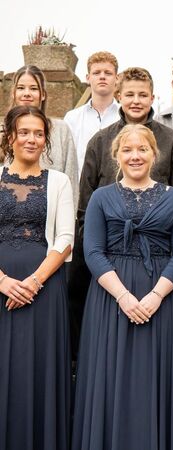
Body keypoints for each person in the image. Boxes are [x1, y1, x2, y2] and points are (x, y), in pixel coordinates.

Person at [72, 124, 173, 450]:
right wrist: (123, 296)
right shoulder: (100, 197)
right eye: (127, 150)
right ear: (116, 156)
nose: (135, 156)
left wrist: (156, 296)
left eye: (142, 149)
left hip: (159, 298)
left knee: (154, 378)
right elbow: (92, 252)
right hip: (110, 299)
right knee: (109, 377)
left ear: (154, 154)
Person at [70, 66, 173, 357]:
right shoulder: (100, 141)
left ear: (152, 97)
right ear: (119, 96)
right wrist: (99, 252)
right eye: (130, 95)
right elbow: (86, 202)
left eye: (142, 95)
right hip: (109, 258)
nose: (136, 101)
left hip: (157, 264)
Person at [0, 105, 74, 450]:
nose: (32, 139)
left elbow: (65, 239)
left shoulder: (59, 181)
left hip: (44, 290)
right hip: (1, 287)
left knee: (38, 371)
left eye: (39, 133)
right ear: (10, 137)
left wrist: (33, 282)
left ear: (46, 140)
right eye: (25, 132)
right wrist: (3, 281)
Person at [4, 65, 79, 206]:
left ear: (43, 94)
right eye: (21, 88)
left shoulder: (61, 130)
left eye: (33, 88)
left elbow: (71, 180)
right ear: (13, 93)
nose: (27, 93)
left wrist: (69, 214)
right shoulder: (4, 131)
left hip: (53, 211)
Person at [64, 51, 120, 177]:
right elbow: (67, 159)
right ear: (88, 78)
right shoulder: (72, 118)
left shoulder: (126, 116)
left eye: (108, 73)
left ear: (117, 78)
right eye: (96, 73)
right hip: (81, 186)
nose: (102, 77)